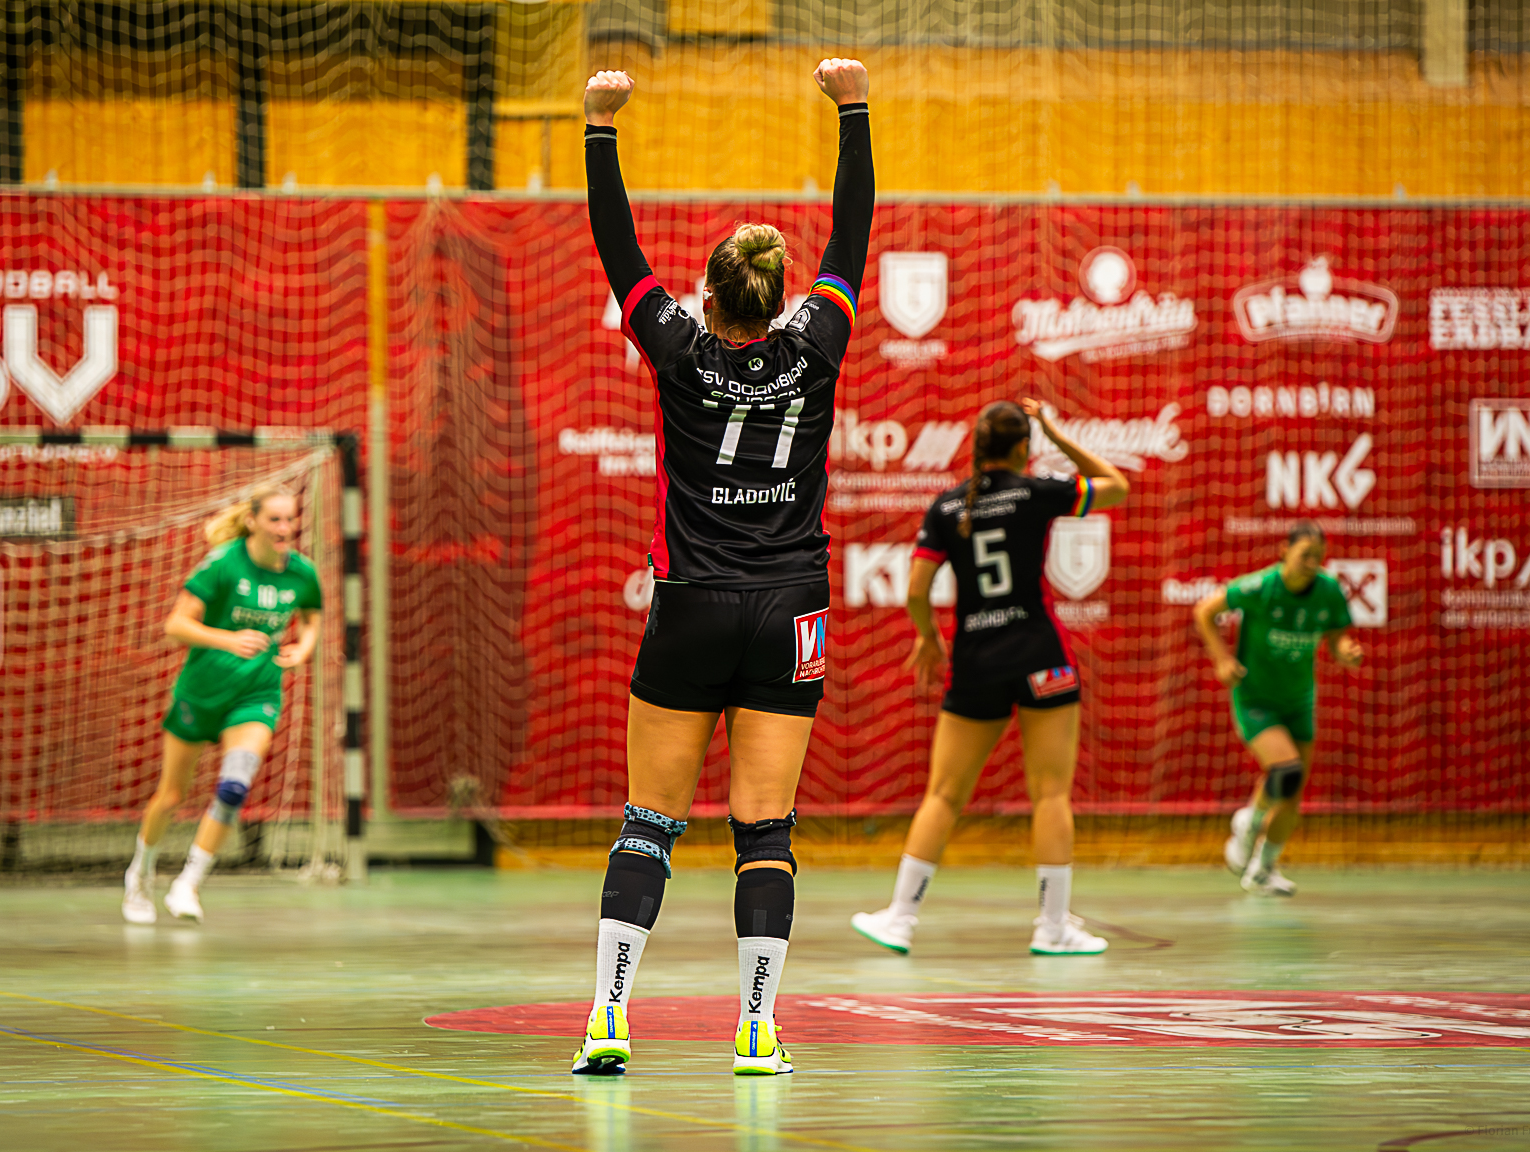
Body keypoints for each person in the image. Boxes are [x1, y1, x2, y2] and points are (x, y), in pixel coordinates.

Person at [571, 57, 872, 1078]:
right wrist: (853, 110)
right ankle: (755, 1029)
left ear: (705, 296)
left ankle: (608, 1018)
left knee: (649, 823)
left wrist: (601, 125)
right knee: (765, 830)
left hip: (691, 605)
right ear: (786, 298)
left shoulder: (677, 350)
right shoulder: (817, 345)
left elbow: (617, 248)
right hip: (792, 610)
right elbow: (850, 238)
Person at [851, 399, 1130, 957]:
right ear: (1024, 447)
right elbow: (1116, 486)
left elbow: (916, 591)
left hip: (977, 662)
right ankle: (1053, 928)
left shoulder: (947, 506)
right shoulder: (1038, 491)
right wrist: (1056, 431)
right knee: (1051, 794)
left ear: (977, 447)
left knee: (944, 794)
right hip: (1043, 658)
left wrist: (928, 638)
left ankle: (900, 919)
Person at [123, 486, 322, 924]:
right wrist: (228, 639)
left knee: (234, 788)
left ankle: (189, 883)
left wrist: (304, 648)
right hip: (202, 692)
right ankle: (140, 872)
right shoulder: (223, 564)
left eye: (290, 519)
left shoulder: (302, 572)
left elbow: (311, 616)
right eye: (275, 520)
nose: (285, 529)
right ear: (253, 522)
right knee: (171, 795)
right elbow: (175, 625)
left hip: (256, 695)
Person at [1191, 521, 1362, 897]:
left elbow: (1336, 637)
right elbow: (1204, 611)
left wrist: (1345, 651)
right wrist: (1222, 659)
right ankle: (1248, 823)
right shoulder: (1261, 587)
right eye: (1305, 555)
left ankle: (1263, 869)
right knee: (1286, 770)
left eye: (1318, 557)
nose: (1312, 563)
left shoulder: (1329, 590)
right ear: (1284, 552)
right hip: (1255, 698)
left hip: (1299, 700)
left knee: (1293, 790)